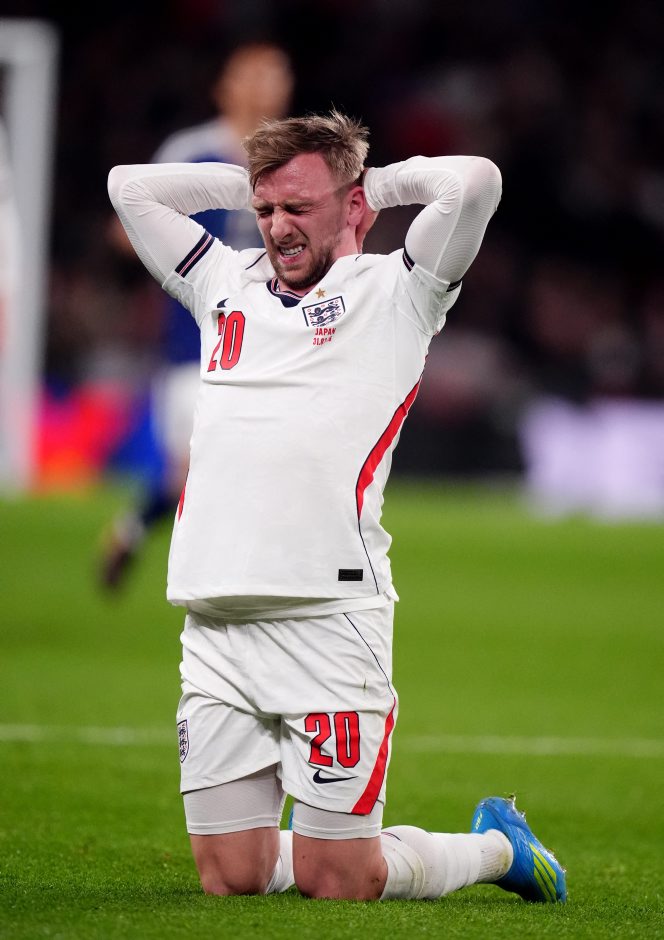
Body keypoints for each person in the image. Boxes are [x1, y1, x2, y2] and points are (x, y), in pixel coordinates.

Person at [107, 110, 566, 903]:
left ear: (353, 207)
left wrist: (372, 184)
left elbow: (475, 183)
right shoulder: (222, 280)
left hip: (329, 621)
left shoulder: (400, 292)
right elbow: (129, 189)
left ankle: (497, 848)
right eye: (267, 209)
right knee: (233, 876)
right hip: (216, 623)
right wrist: (260, 185)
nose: (278, 226)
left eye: (299, 208)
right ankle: (328, 846)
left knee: (341, 881)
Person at [100, 42, 294, 588]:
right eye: (253, 74)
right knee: (197, 470)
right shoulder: (192, 151)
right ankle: (197, 573)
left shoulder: (296, 158)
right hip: (196, 342)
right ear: (225, 87)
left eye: (275, 75)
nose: (265, 86)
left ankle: (153, 540)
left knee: (242, 466)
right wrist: (186, 264)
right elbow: (124, 227)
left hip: (275, 341)